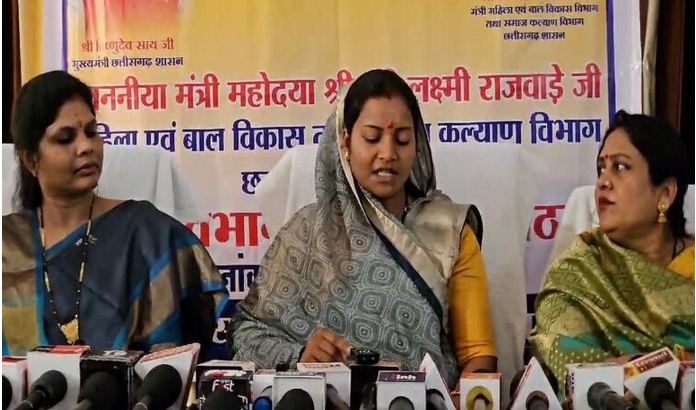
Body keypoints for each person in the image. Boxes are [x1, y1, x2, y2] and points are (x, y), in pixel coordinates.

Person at [229, 69, 496, 387]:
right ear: (345, 141)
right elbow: (247, 332)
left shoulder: (448, 230)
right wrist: (300, 355)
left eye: (402, 140)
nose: (388, 153)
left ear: (417, 145)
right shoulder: (307, 232)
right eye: (372, 138)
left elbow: (477, 357)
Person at [2, 70, 225, 355]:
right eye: (65, 138)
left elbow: (184, 345)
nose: (86, 147)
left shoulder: (148, 233)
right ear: (31, 159)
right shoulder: (8, 243)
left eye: (92, 132)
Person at [529, 110, 694, 395]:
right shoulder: (576, 275)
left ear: (666, 193)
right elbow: (573, 367)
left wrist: (638, 367)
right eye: (600, 169)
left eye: (620, 167)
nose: (603, 181)